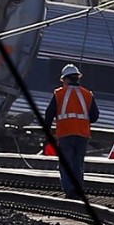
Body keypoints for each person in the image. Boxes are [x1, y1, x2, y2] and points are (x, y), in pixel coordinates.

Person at [42, 63, 99, 200]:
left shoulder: (59, 94)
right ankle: (78, 191)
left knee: (66, 164)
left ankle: (70, 191)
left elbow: (49, 114)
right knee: (78, 164)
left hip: (65, 134)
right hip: (82, 134)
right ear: (78, 78)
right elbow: (95, 116)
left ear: (65, 79)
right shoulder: (87, 94)